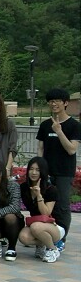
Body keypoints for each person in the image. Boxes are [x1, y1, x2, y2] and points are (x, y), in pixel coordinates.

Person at [36, 88, 80, 246]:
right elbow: (40, 148)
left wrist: (59, 132)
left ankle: (61, 238)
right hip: (47, 171)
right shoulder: (45, 125)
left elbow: (71, 149)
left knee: (61, 206)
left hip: (64, 172)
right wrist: (38, 169)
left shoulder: (74, 125)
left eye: (57, 101)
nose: (53, 104)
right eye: (51, 101)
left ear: (66, 103)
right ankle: (45, 236)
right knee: (46, 204)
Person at [17, 157, 63, 263]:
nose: (34, 172)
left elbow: (46, 213)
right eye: (31, 169)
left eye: (38, 170)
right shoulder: (24, 188)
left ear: (43, 172)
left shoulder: (51, 189)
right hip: (36, 224)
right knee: (23, 237)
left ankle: (53, 249)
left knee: (36, 226)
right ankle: (41, 245)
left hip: (55, 226)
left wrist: (38, 195)